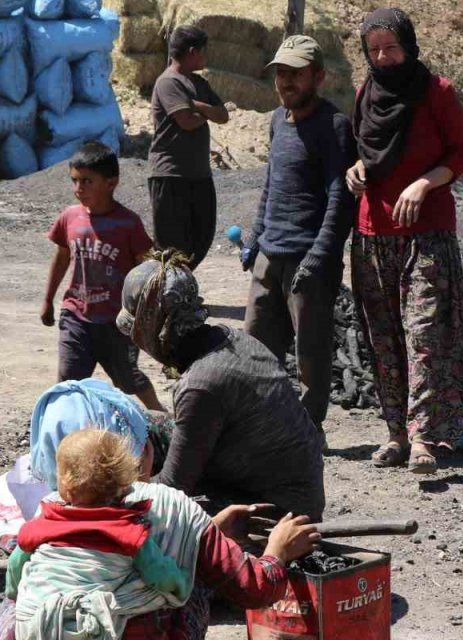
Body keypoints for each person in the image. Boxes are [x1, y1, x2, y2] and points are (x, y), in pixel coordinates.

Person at [3, 383, 320, 640]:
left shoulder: (43, 518)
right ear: (132, 455)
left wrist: (206, 533)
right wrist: (278, 552)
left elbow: (17, 577)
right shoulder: (169, 510)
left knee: (13, 605)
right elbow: (254, 589)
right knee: (187, 585)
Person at [344, 8, 463, 475]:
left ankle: (423, 438)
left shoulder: (437, 92)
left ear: (409, 46)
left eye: (391, 47)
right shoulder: (365, 94)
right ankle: (395, 433)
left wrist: (424, 184)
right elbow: (364, 152)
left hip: (426, 234)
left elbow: (462, 154)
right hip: (372, 233)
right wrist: (354, 170)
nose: (383, 56)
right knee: (383, 338)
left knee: (422, 335)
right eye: (375, 49)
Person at [118, 252, 327, 520]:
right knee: (141, 423)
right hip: (290, 488)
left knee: (144, 510)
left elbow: (172, 488)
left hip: (278, 513)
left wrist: (115, 493)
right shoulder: (231, 338)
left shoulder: (202, 385)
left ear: (152, 326)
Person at [241, 35, 357, 429]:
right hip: (269, 255)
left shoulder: (334, 125)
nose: (286, 82)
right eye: (281, 74)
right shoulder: (277, 120)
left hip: (309, 261)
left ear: (318, 76)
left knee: (310, 353)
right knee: (254, 347)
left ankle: (309, 431)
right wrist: (255, 238)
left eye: (295, 74)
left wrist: (318, 257)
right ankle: (258, 425)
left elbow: (340, 198)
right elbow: (271, 185)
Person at [40, 142, 165, 412]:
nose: (78, 189)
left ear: (111, 182)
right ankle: (65, 427)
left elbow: (147, 269)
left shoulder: (128, 224)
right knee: (69, 380)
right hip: (76, 316)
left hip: (116, 323)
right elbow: (62, 258)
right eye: (74, 181)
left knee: (128, 379)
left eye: (87, 181)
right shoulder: (69, 218)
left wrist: (149, 315)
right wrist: (48, 299)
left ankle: (159, 414)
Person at [148, 26, 229, 270]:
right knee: (171, 245)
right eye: (203, 52)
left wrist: (197, 105)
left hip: (198, 174)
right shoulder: (168, 82)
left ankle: (180, 287)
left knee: (201, 236)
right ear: (193, 52)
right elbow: (187, 122)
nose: (206, 57)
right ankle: (166, 295)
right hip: (170, 174)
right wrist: (205, 112)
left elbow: (223, 115)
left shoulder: (199, 83)